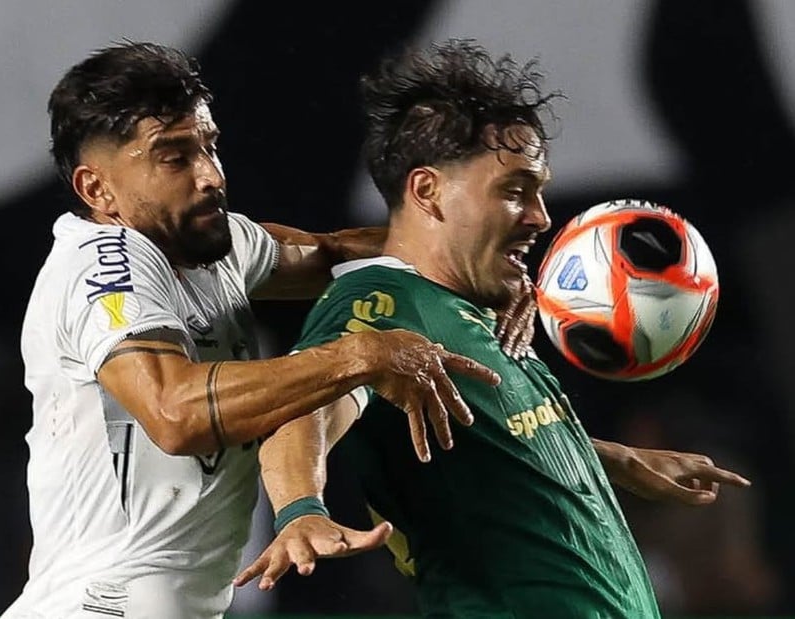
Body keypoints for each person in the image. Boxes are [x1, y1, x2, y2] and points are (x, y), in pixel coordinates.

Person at [236, 39, 751, 618]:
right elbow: (306, 402)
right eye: (514, 191)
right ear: (427, 191)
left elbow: (495, 441)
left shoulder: (477, 307)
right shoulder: (379, 302)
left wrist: (613, 459)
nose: (540, 216)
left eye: (539, 190)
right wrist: (299, 506)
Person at [1, 40, 510, 619]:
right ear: (97, 190)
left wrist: (492, 261)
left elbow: (341, 254)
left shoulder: (216, 247)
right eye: (173, 157)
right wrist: (361, 355)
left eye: (208, 146)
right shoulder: (104, 264)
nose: (210, 176)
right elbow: (175, 412)